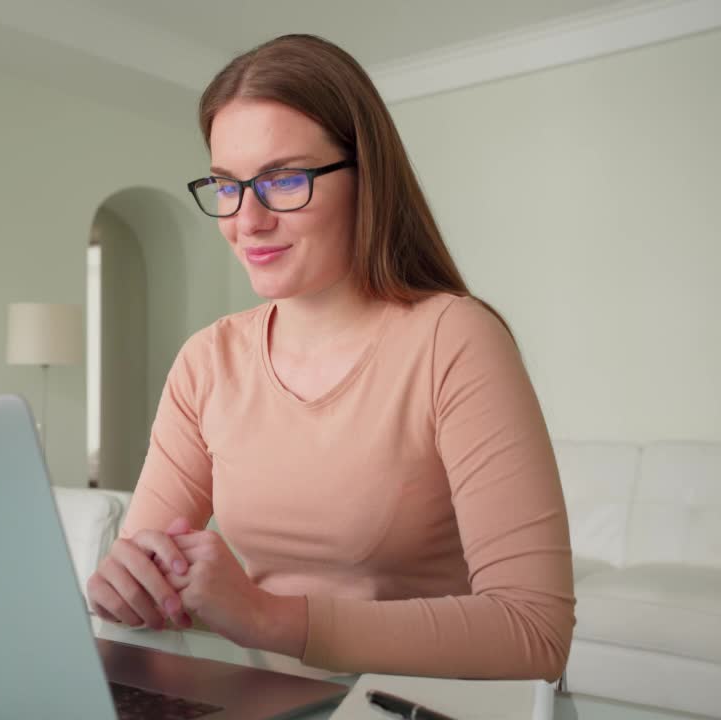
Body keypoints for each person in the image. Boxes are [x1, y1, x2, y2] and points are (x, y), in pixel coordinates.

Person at [85, 34, 575, 682]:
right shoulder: (208, 361)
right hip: (271, 698)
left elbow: (533, 632)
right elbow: (152, 581)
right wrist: (128, 587)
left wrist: (267, 617)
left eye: (283, 179)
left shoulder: (454, 339)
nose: (247, 220)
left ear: (365, 177)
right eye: (227, 186)